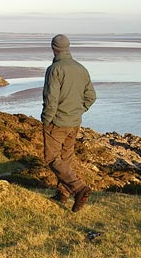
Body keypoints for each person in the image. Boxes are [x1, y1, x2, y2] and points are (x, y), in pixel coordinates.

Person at [42, 34, 97, 212]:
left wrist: (46, 119)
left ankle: (79, 189)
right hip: (74, 122)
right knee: (65, 159)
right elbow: (91, 97)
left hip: (57, 122)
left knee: (51, 158)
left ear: (53, 48)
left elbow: (51, 99)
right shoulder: (81, 69)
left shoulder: (55, 69)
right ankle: (62, 194)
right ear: (68, 47)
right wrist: (79, 110)